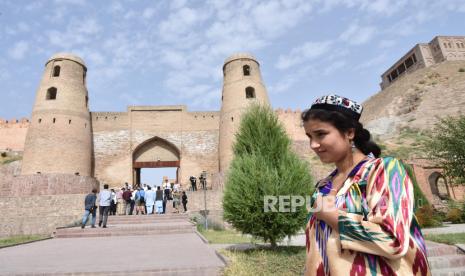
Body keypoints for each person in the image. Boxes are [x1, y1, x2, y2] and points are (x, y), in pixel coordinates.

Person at [301, 94, 430, 275]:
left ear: (349, 133)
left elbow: (392, 239)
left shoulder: (383, 170)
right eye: (309, 136)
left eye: (321, 134)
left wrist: (330, 215)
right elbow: (317, 248)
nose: (313, 144)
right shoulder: (323, 186)